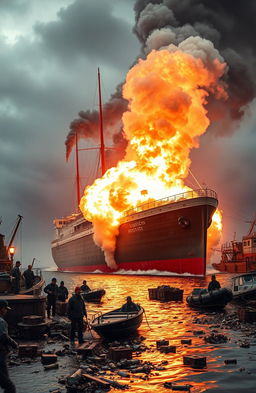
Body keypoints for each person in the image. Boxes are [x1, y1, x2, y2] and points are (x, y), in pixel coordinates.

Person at [0, 300, 18, 393]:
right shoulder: (1, 322)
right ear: (1, 309)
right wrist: (14, 344)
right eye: (5, 309)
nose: (6, 311)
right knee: (10, 387)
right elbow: (3, 336)